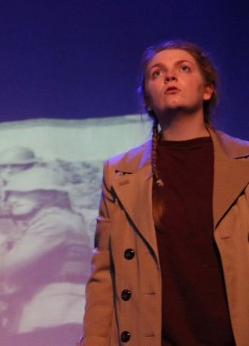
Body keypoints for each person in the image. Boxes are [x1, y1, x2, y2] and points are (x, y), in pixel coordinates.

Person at [80, 40, 249, 345]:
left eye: (183, 69)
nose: (170, 77)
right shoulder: (120, 173)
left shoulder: (245, 163)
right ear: (147, 101)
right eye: (157, 73)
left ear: (207, 90)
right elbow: (104, 275)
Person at [0, 167, 90, 346]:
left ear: (48, 195)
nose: (12, 200)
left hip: (56, 314)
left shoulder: (53, 222)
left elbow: (6, 267)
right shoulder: (62, 219)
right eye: (10, 194)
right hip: (57, 311)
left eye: (22, 194)